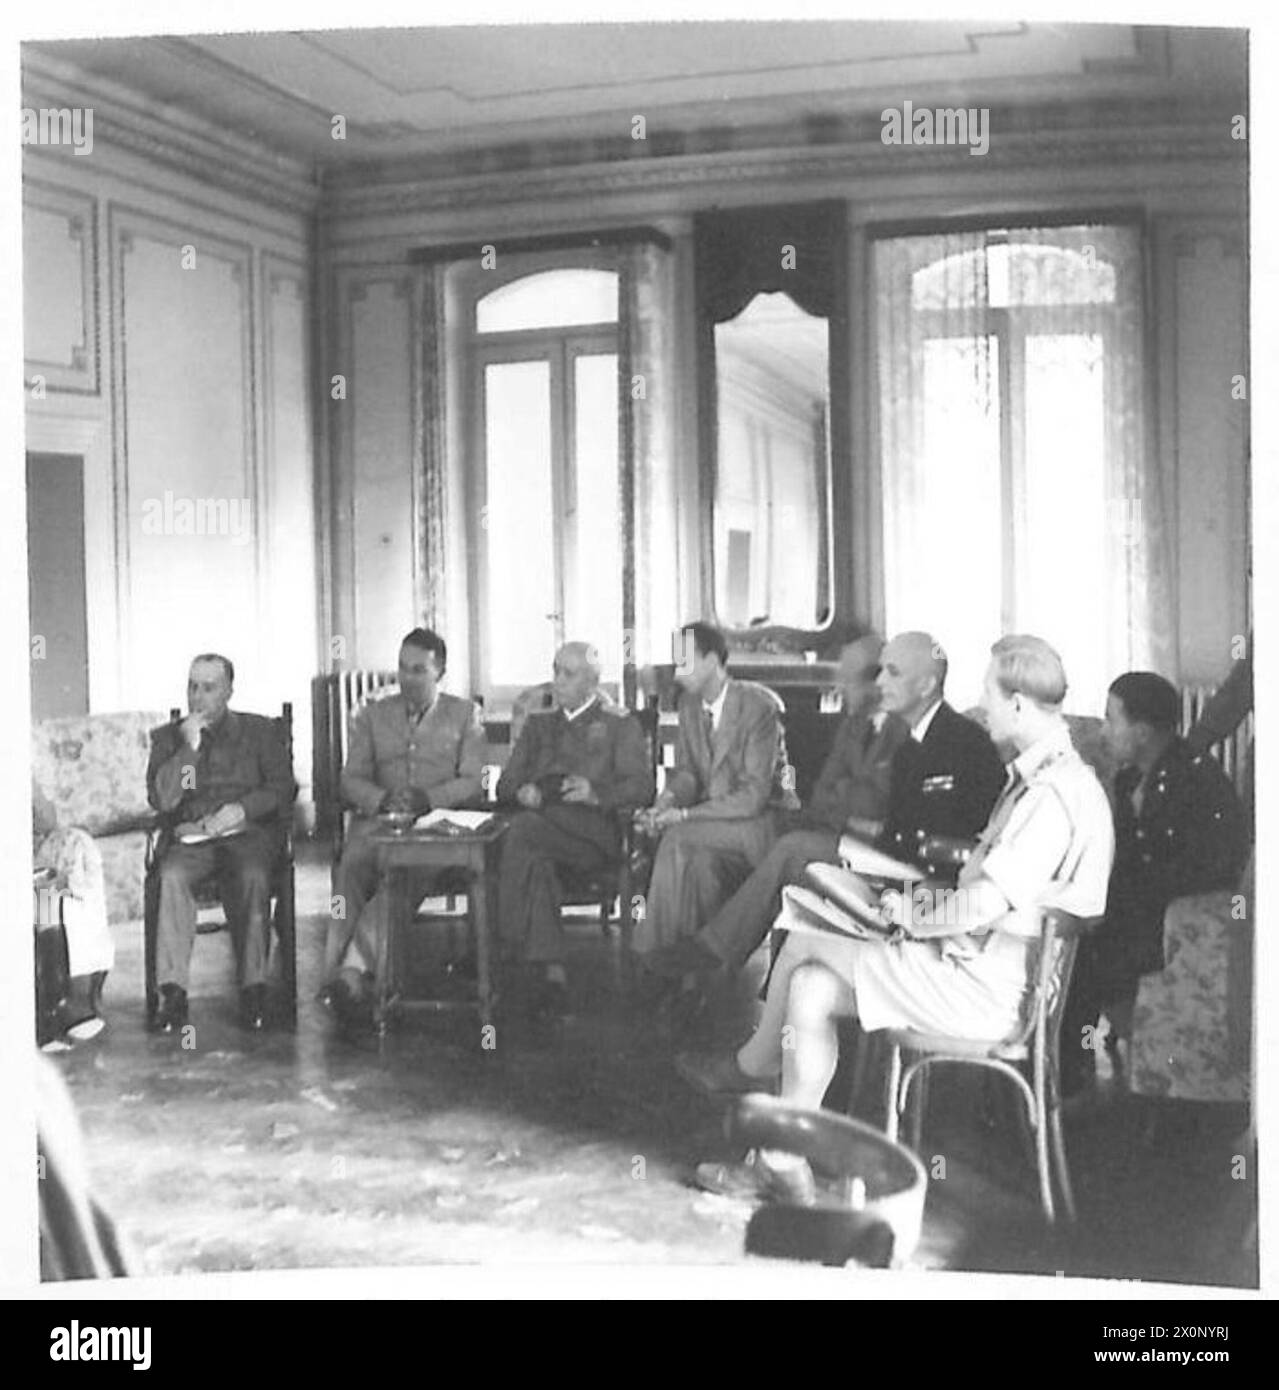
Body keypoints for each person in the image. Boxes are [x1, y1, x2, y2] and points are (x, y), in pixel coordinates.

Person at [679, 635, 1115, 1205]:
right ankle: (782, 1162)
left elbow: (986, 904)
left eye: (987, 694)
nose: (980, 707)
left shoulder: (1052, 795)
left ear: (1017, 705)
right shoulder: (1046, 778)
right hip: (972, 965)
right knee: (809, 989)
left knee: (806, 943)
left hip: (987, 991)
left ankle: (754, 1064)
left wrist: (911, 915)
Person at [641, 629, 1004, 984]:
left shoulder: (962, 741)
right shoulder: (912, 743)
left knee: (791, 849)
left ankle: (709, 952)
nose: (879, 683)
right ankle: (702, 963)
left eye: (892, 673)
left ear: (926, 685)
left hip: (924, 881)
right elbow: (837, 797)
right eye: (878, 672)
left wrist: (864, 831)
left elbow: (957, 835)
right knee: (764, 852)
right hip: (887, 851)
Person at [1060, 671, 1248, 1097]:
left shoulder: (1195, 780)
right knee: (1068, 945)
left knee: (1079, 959)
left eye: (1111, 720)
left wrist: (1113, 908)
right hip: (1137, 917)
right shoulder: (1129, 779)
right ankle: (1070, 1073)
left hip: (1175, 930)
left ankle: (1072, 1082)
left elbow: (1208, 869)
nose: (1104, 731)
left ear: (1142, 731)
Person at [323, 627, 487, 1025]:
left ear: (440, 671)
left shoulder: (465, 715)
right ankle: (335, 976)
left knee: (402, 877)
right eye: (402, 668)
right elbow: (351, 777)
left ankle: (354, 972)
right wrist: (380, 800)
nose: (407, 678)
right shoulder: (374, 714)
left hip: (435, 828)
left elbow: (473, 779)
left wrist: (428, 799)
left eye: (418, 670)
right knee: (351, 869)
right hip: (379, 823)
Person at [496, 641, 654, 1015]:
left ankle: (499, 949)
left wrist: (596, 793)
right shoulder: (538, 725)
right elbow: (503, 785)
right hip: (539, 832)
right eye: (555, 671)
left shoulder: (619, 724)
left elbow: (642, 787)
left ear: (592, 682)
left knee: (518, 834)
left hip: (592, 837)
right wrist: (523, 791)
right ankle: (552, 976)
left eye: (568, 674)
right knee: (536, 862)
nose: (557, 682)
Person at [146, 653, 296, 1033]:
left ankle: (253, 990)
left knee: (251, 875)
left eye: (208, 688)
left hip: (246, 835)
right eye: (192, 687)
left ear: (229, 690)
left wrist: (241, 809)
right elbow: (164, 801)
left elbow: (282, 788)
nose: (198, 697)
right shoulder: (169, 738)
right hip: (194, 839)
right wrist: (189, 750)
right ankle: (174, 993)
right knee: (172, 875)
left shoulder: (260, 732)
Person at [630, 622, 791, 959]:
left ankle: (650, 954)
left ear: (712, 660)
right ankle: (695, 974)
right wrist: (665, 802)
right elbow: (688, 773)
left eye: (683, 662)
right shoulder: (689, 706)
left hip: (757, 827)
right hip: (712, 830)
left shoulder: (758, 707)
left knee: (677, 838)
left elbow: (753, 797)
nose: (676, 673)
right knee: (699, 868)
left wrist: (684, 816)